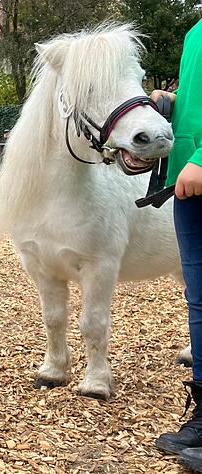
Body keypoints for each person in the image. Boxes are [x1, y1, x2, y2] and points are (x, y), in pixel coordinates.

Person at [153, 15, 202, 471]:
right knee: (200, 299)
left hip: (198, 173)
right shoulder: (194, 33)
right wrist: (173, 103)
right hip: (188, 186)